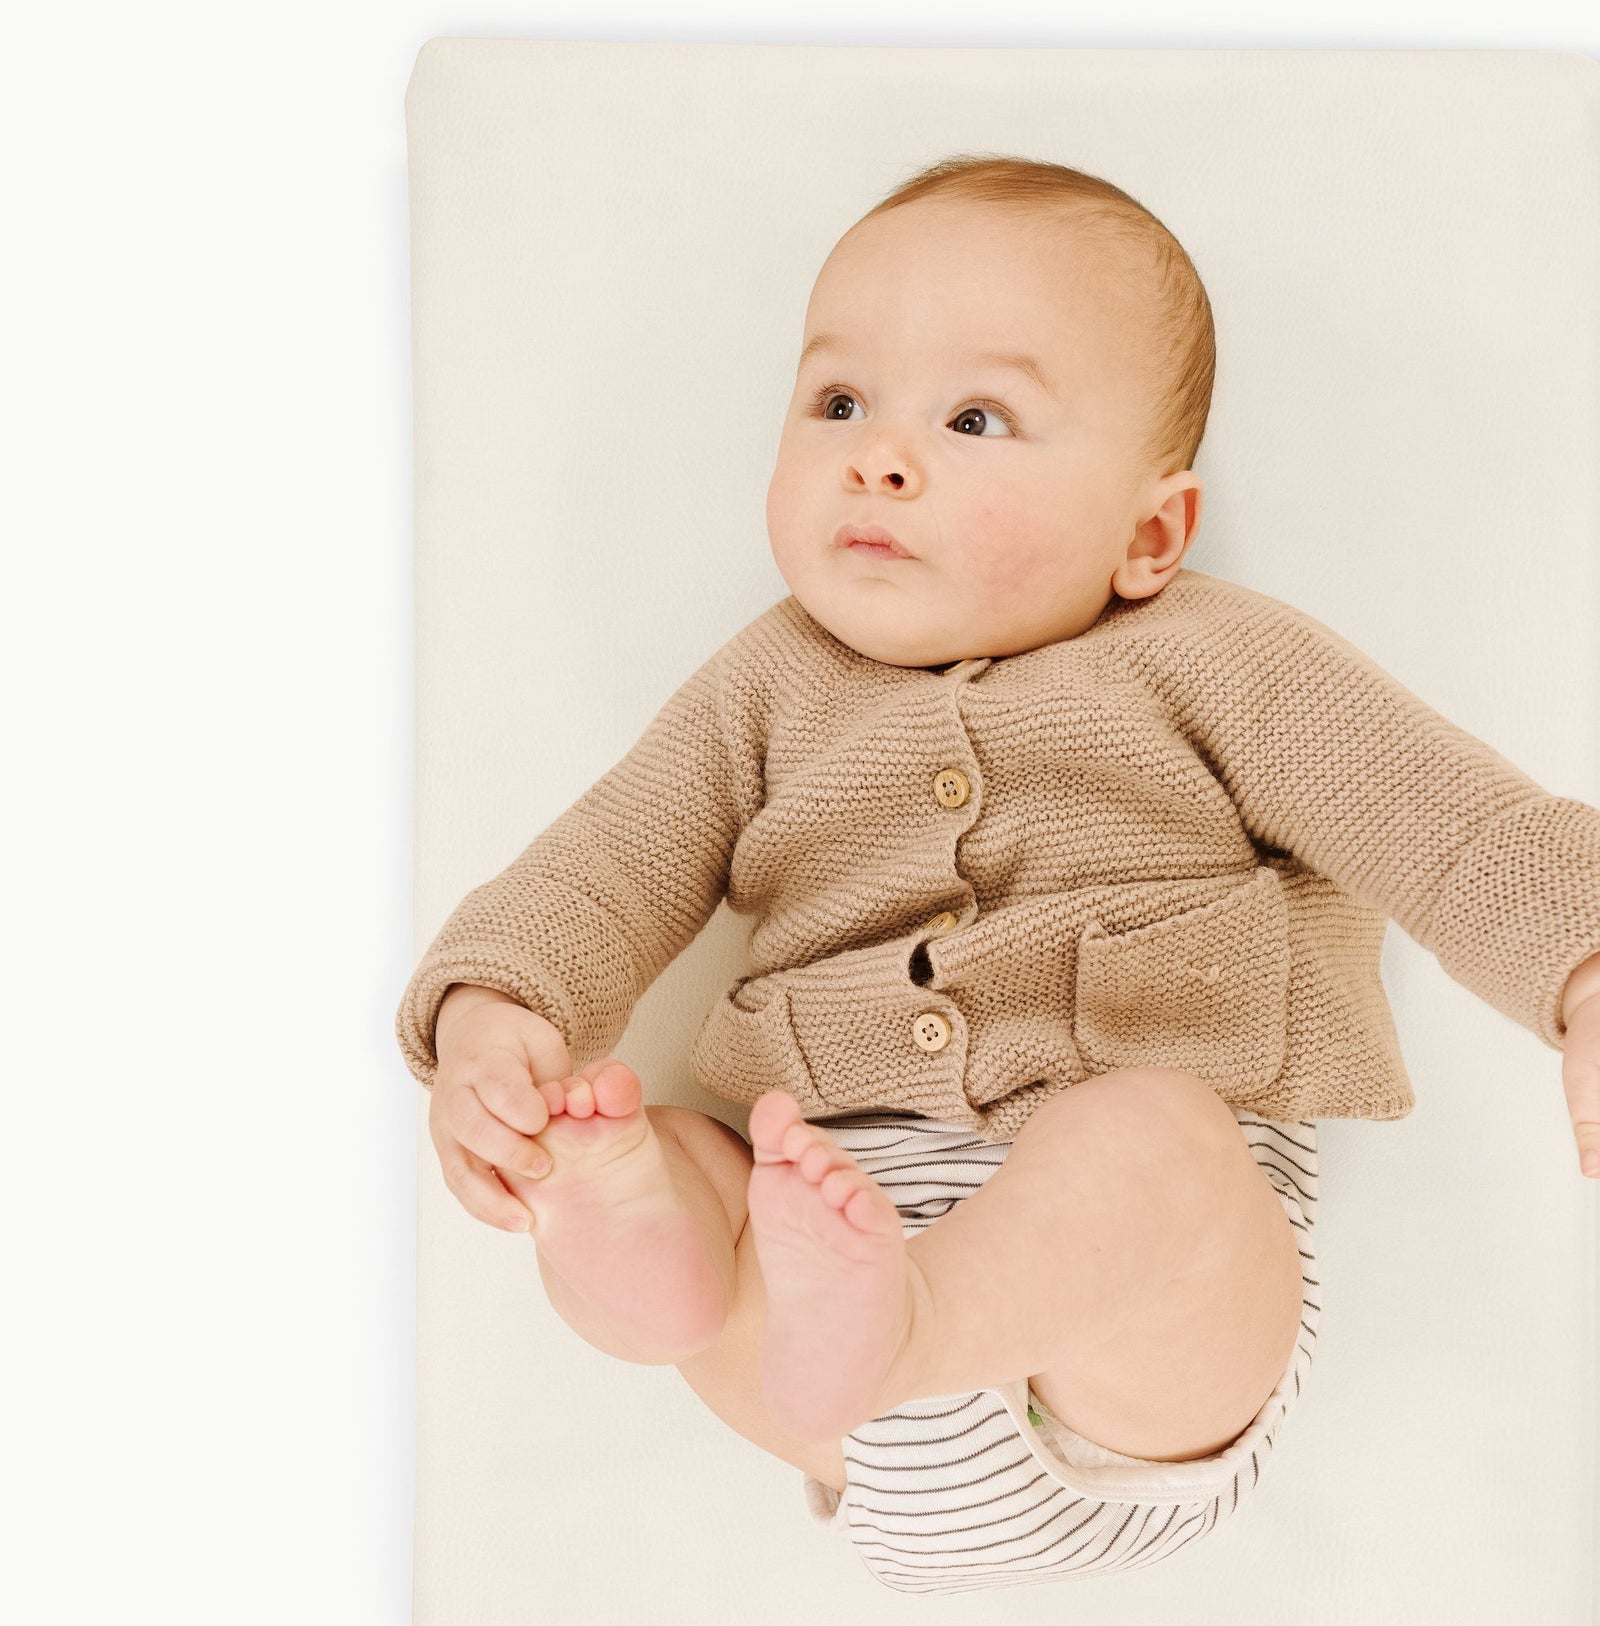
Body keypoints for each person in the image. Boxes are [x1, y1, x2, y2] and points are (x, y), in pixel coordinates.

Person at [395, 153, 1600, 1593]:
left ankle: (903, 1316)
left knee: (1157, 1144)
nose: (879, 454)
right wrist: (496, 1010)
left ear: (1150, 534)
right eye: (839, 401)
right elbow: (602, 866)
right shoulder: (764, 686)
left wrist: (1580, 961)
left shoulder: (1218, 660)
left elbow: (1451, 822)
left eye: (975, 418)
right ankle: (659, 1253)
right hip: (817, 1315)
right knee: (659, 1157)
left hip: (1125, 1395)